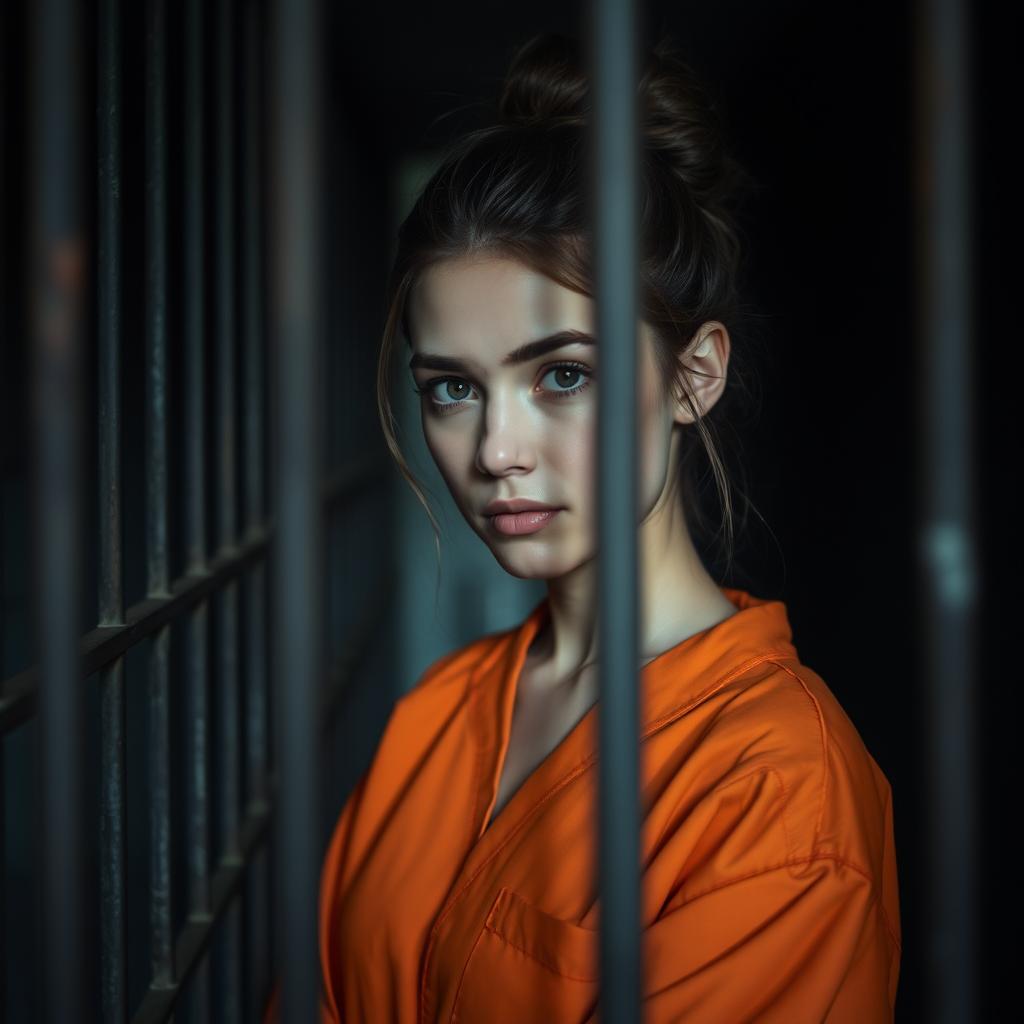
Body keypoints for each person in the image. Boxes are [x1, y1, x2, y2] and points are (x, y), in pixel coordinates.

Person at [266, 29, 901, 1024]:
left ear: (694, 375)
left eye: (561, 374)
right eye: (451, 389)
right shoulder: (435, 711)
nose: (495, 450)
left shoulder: (775, 783)